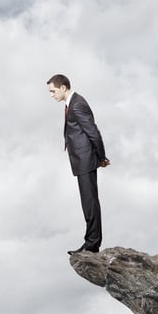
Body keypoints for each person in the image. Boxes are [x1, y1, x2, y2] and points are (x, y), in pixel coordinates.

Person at [47, 73, 110, 254]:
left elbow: (93, 132)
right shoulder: (72, 104)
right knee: (88, 202)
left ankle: (92, 244)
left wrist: (101, 158)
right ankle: (91, 242)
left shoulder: (77, 105)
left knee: (90, 203)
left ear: (63, 87)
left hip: (86, 160)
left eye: (53, 91)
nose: (52, 95)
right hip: (82, 160)